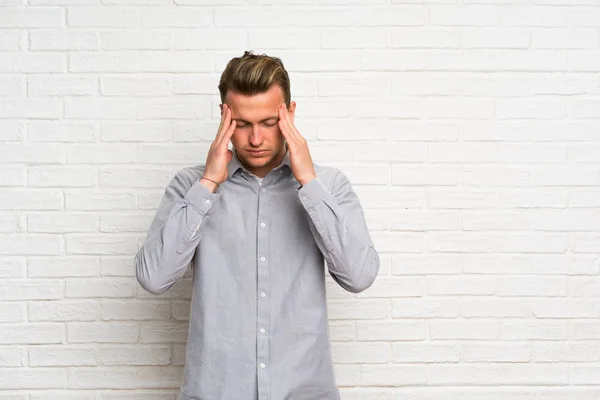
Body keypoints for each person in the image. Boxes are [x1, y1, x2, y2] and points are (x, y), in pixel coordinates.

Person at [135, 50, 380, 400]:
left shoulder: (329, 186)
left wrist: (308, 181)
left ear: (290, 114)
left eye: (268, 123)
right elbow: (153, 278)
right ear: (225, 117)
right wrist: (208, 184)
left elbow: (359, 276)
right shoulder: (190, 186)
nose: (255, 140)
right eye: (243, 124)